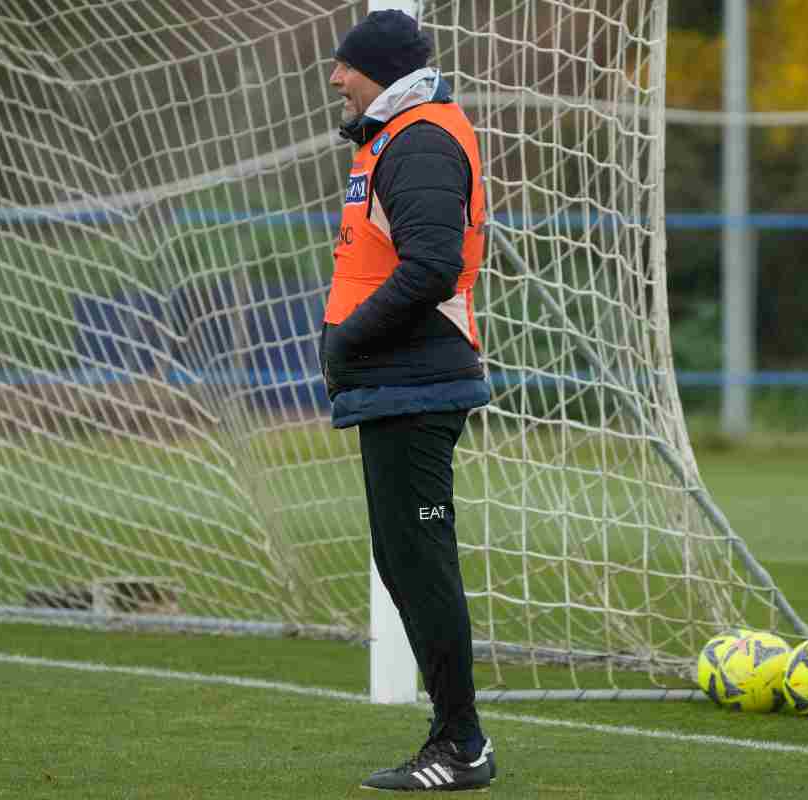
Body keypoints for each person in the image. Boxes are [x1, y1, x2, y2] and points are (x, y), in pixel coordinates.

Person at [320, 9, 496, 793]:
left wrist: (349, 338)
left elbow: (433, 264)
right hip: (395, 384)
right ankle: (455, 737)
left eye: (345, 66)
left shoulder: (419, 138)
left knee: (420, 565)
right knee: (402, 562)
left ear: (381, 69)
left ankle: (462, 745)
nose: (335, 78)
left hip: (416, 382)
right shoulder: (391, 137)